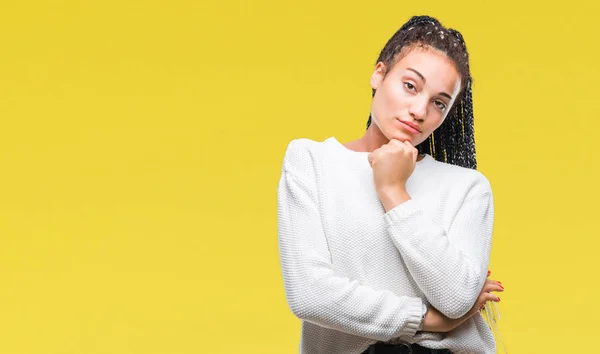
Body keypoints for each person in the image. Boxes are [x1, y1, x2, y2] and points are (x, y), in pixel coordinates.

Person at [277, 15, 504, 354]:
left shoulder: (468, 187)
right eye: (411, 86)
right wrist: (424, 318)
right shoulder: (311, 161)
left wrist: (393, 191)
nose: (419, 110)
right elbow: (309, 294)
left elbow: (456, 298)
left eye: (439, 103)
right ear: (379, 74)